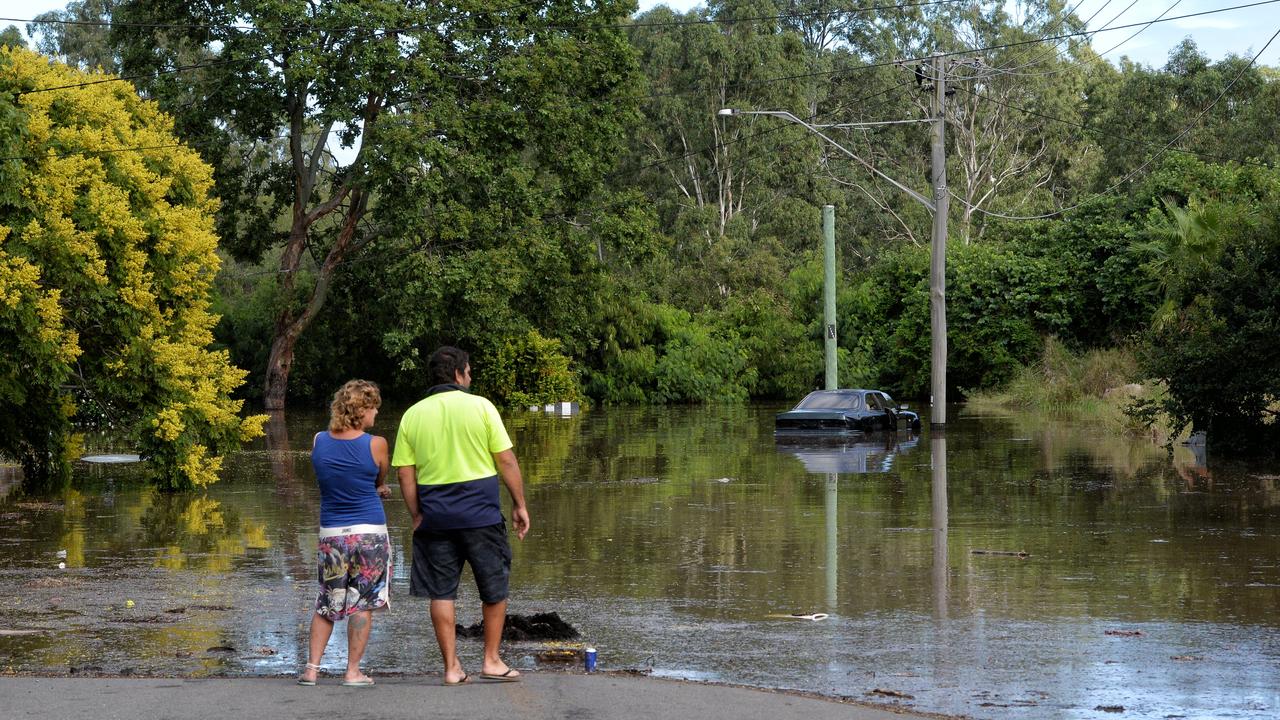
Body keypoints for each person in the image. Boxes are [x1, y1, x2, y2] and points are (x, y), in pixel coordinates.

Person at [392, 346, 530, 686]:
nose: (470, 377)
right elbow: (507, 460)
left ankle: (452, 668)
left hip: (435, 515)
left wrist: (416, 514)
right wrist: (519, 504)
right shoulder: (481, 407)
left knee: (442, 592)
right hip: (481, 514)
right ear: (457, 374)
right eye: (468, 371)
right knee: (493, 587)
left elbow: (405, 475)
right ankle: (491, 660)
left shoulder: (412, 415)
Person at [298, 379, 393, 687]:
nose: (376, 412)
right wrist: (380, 488)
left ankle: (311, 670)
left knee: (327, 600)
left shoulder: (318, 440)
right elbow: (378, 476)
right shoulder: (376, 444)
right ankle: (352, 671)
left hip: (332, 534)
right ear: (361, 410)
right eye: (373, 406)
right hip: (369, 532)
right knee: (363, 602)